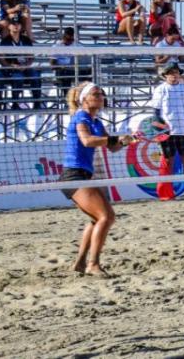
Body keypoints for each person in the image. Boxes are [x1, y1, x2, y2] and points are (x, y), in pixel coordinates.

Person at [62, 81, 134, 277]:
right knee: (107, 217)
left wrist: (126, 141)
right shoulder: (81, 117)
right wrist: (115, 139)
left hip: (83, 174)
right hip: (73, 176)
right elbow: (87, 140)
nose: (101, 97)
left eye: (102, 94)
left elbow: (112, 147)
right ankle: (93, 264)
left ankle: (79, 263)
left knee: (96, 219)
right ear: (84, 99)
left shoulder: (96, 121)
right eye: (96, 94)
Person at [151, 60, 184, 199]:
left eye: (176, 73)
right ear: (165, 75)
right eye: (171, 73)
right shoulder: (160, 89)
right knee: (168, 161)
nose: (174, 75)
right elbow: (156, 113)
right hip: (168, 131)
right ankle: (168, 192)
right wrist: (161, 128)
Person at [0, 19, 40, 109]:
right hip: (12, 68)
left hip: (24, 66)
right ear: (9, 26)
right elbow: (1, 59)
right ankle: (15, 103)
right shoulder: (5, 41)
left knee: (35, 74)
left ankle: (37, 103)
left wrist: (26, 65)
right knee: (18, 77)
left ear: (21, 26)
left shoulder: (26, 40)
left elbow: (32, 56)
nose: (16, 26)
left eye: (18, 23)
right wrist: (11, 66)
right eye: (13, 24)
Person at [51, 27, 84, 99]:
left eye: (71, 39)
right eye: (68, 39)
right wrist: (61, 67)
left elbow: (85, 57)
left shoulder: (77, 45)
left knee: (89, 73)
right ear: (63, 37)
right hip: (62, 70)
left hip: (75, 69)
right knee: (65, 75)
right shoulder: (56, 47)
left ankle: (84, 97)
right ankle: (68, 99)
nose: (70, 42)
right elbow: (52, 65)